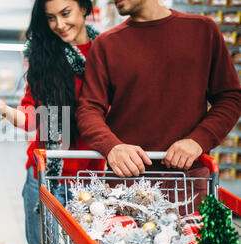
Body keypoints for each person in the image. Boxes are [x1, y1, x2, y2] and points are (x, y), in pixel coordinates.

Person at [76, 0, 241, 213]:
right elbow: (88, 109)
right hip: (126, 183)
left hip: (187, 181)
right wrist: (111, 147)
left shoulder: (202, 30)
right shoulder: (106, 44)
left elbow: (229, 97)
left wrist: (198, 140)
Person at [0, 0, 106, 244]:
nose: (59, 24)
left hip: (89, 180)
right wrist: (1, 107)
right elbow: (32, 117)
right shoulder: (44, 57)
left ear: (84, 7)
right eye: (51, 18)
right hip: (44, 176)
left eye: (65, 13)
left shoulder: (105, 53)